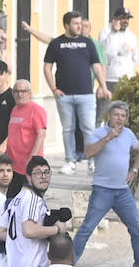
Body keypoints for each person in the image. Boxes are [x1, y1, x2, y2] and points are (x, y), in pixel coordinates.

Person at [72, 101, 139, 267]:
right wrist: (108, 137)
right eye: (117, 115)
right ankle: (69, 264)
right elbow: (88, 153)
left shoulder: (129, 134)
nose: (120, 119)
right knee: (87, 228)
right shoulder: (99, 133)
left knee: (136, 228)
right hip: (102, 189)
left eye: (123, 116)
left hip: (123, 191)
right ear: (110, 116)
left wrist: (135, 170)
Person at [45, 12, 109, 174]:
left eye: (80, 23)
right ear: (66, 25)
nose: (79, 26)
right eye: (75, 23)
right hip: (64, 95)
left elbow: (96, 65)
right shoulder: (56, 43)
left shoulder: (87, 43)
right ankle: (70, 160)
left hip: (86, 94)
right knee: (68, 129)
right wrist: (54, 89)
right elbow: (47, 67)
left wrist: (103, 86)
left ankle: (92, 161)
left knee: (88, 128)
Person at [4, 80, 48, 176]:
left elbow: (41, 135)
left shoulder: (37, 110)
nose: (20, 94)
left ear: (30, 93)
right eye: (16, 91)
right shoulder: (14, 109)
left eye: (24, 91)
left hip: (29, 166)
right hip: (13, 166)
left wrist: (32, 159)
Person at [100, 7, 139, 97]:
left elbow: (135, 58)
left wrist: (127, 69)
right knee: (107, 109)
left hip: (127, 79)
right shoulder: (105, 32)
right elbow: (105, 52)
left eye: (127, 18)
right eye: (122, 18)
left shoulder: (132, 36)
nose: (125, 21)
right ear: (115, 19)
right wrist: (114, 32)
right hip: (110, 79)